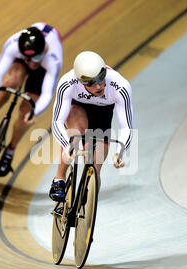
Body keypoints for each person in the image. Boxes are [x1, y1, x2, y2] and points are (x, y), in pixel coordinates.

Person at [0, 22, 63, 177]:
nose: (31, 64)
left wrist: (34, 111)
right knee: (12, 81)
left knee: (26, 110)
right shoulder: (14, 45)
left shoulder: (53, 59)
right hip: (23, 57)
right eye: (27, 59)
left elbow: (47, 93)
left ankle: (10, 150)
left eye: (35, 58)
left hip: (43, 69)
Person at [49, 51, 134, 201]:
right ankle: (59, 179)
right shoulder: (68, 83)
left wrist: (120, 151)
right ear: (80, 81)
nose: (99, 85)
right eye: (92, 83)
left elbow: (127, 127)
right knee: (74, 135)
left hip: (102, 114)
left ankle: (88, 196)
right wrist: (66, 145)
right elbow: (57, 122)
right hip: (78, 108)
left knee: (96, 165)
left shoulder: (120, 86)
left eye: (101, 78)